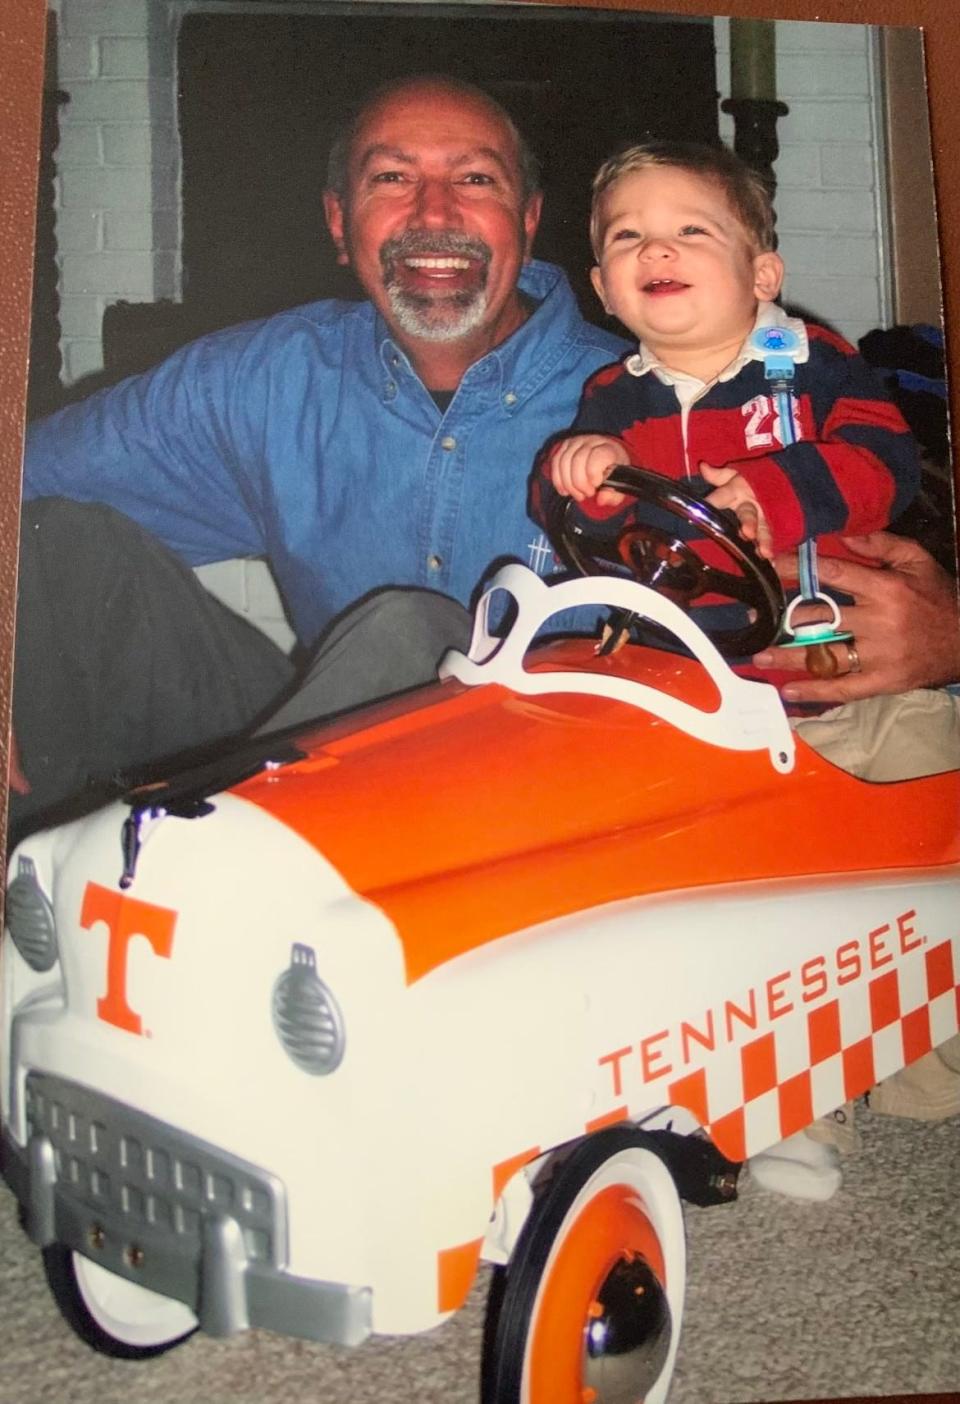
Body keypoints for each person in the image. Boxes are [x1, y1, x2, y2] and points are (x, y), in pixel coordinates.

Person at [14, 73, 625, 826]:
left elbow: (789, 598)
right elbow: (24, 483)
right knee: (65, 551)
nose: (435, 214)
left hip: (555, 815)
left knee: (411, 633)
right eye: (392, 178)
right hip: (316, 783)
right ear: (339, 223)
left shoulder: (650, 400)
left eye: (474, 178)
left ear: (528, 219)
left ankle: (188, 868)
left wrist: (815, 640)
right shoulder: (265, 380)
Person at [534, 141, 919, 606]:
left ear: (762, 276)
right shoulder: (612, 397)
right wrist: (583, 477)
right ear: (603, 291)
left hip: (829, 632)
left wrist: (779, 490)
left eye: (691, 230)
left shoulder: (813, 360)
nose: (655, 249)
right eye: (627, 236)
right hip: (686, 646)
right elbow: (565, 523)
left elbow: (889, 466)